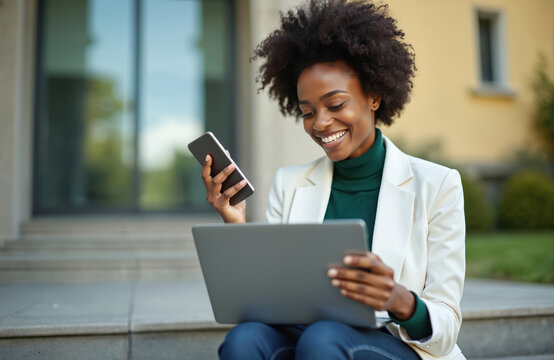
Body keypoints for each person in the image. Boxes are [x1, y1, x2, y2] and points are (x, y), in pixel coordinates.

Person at [201, 0, 466, 359]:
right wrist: (236, 225)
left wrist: (401, 301)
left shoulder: (437, 185)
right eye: (307, 112)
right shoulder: (289, 183)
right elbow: (268, 299)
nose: (320, 123)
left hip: (395, 344)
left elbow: (446, 327)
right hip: (307, 335)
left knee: (323, 339)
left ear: (374, 96)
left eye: (336, 104)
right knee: (244, 339)